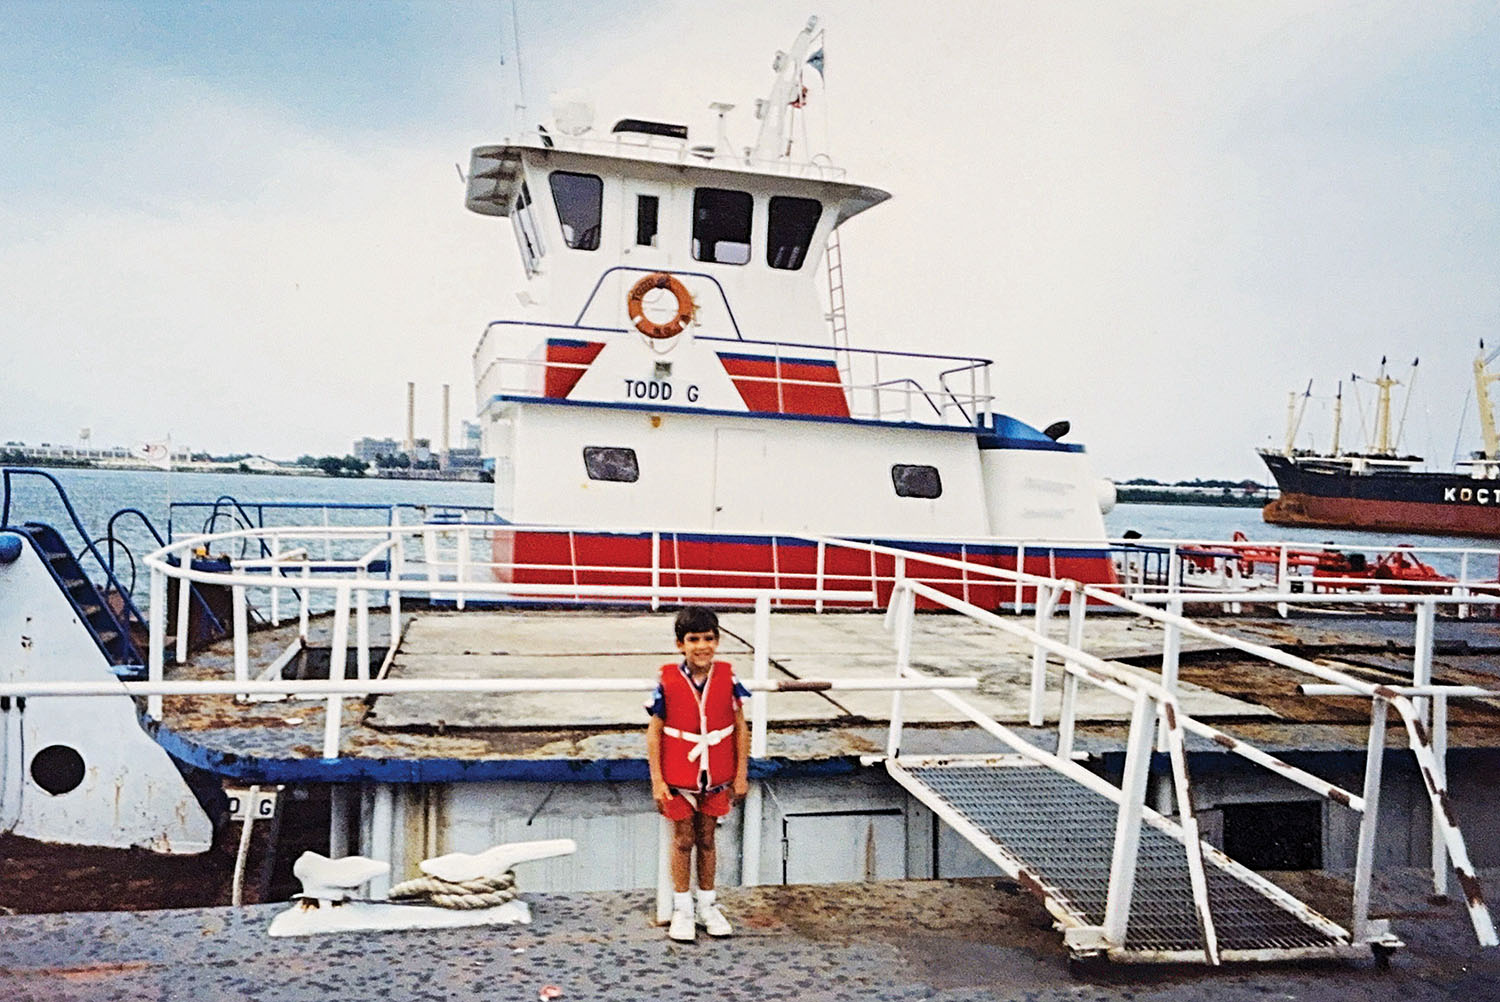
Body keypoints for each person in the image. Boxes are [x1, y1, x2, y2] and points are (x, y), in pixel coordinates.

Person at [645, 606, 751, 942]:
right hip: (680, 780)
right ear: (680, 645)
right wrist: (658, 781)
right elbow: (655, 732)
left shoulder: (728, 679)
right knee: (683, 840)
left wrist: (741, 773)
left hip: (717, 777)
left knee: (707, 839)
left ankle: (707, 904)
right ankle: (682, 908)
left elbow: (739, 727)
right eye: (693, 639)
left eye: (708, 638)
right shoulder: (667, 682)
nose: (702, 645)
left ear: (717, 641)